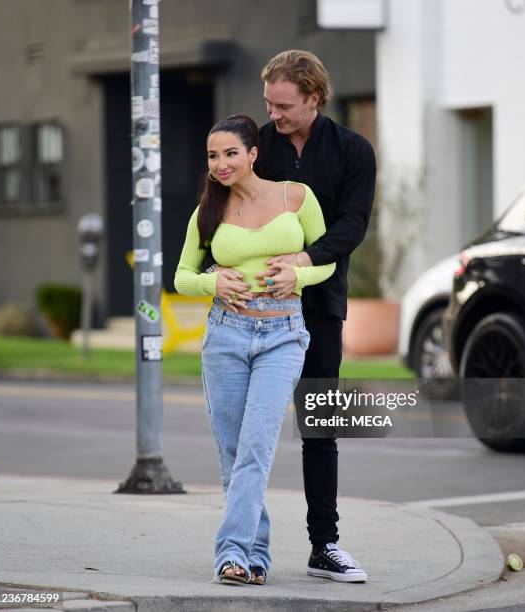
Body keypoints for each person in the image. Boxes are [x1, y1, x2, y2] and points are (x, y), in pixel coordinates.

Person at [174, 114, 335, 585]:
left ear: (252, 154)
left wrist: (298, 275)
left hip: (283, 333)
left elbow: (327, 260)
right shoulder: (208, 211)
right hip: (226, 335)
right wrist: (210, 281)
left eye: (229, 153)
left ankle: (231, 552)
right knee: (232, 452)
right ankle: (253, 556)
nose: (220, 164)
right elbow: (182, 276)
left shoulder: (296, 197)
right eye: (212, 155)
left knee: (256, 446)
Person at [255, 50, 376, 582]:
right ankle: (244, 547)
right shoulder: (256, 145)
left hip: (321, 306)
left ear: (314, 97)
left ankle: (323, 546)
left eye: (284, 106)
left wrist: (305, 260)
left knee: (320, 426)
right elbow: (225, 210)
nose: (275, 115)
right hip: (256, 308)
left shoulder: (353, 151)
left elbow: (353, 226)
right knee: (247, 433)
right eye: (269, 104)